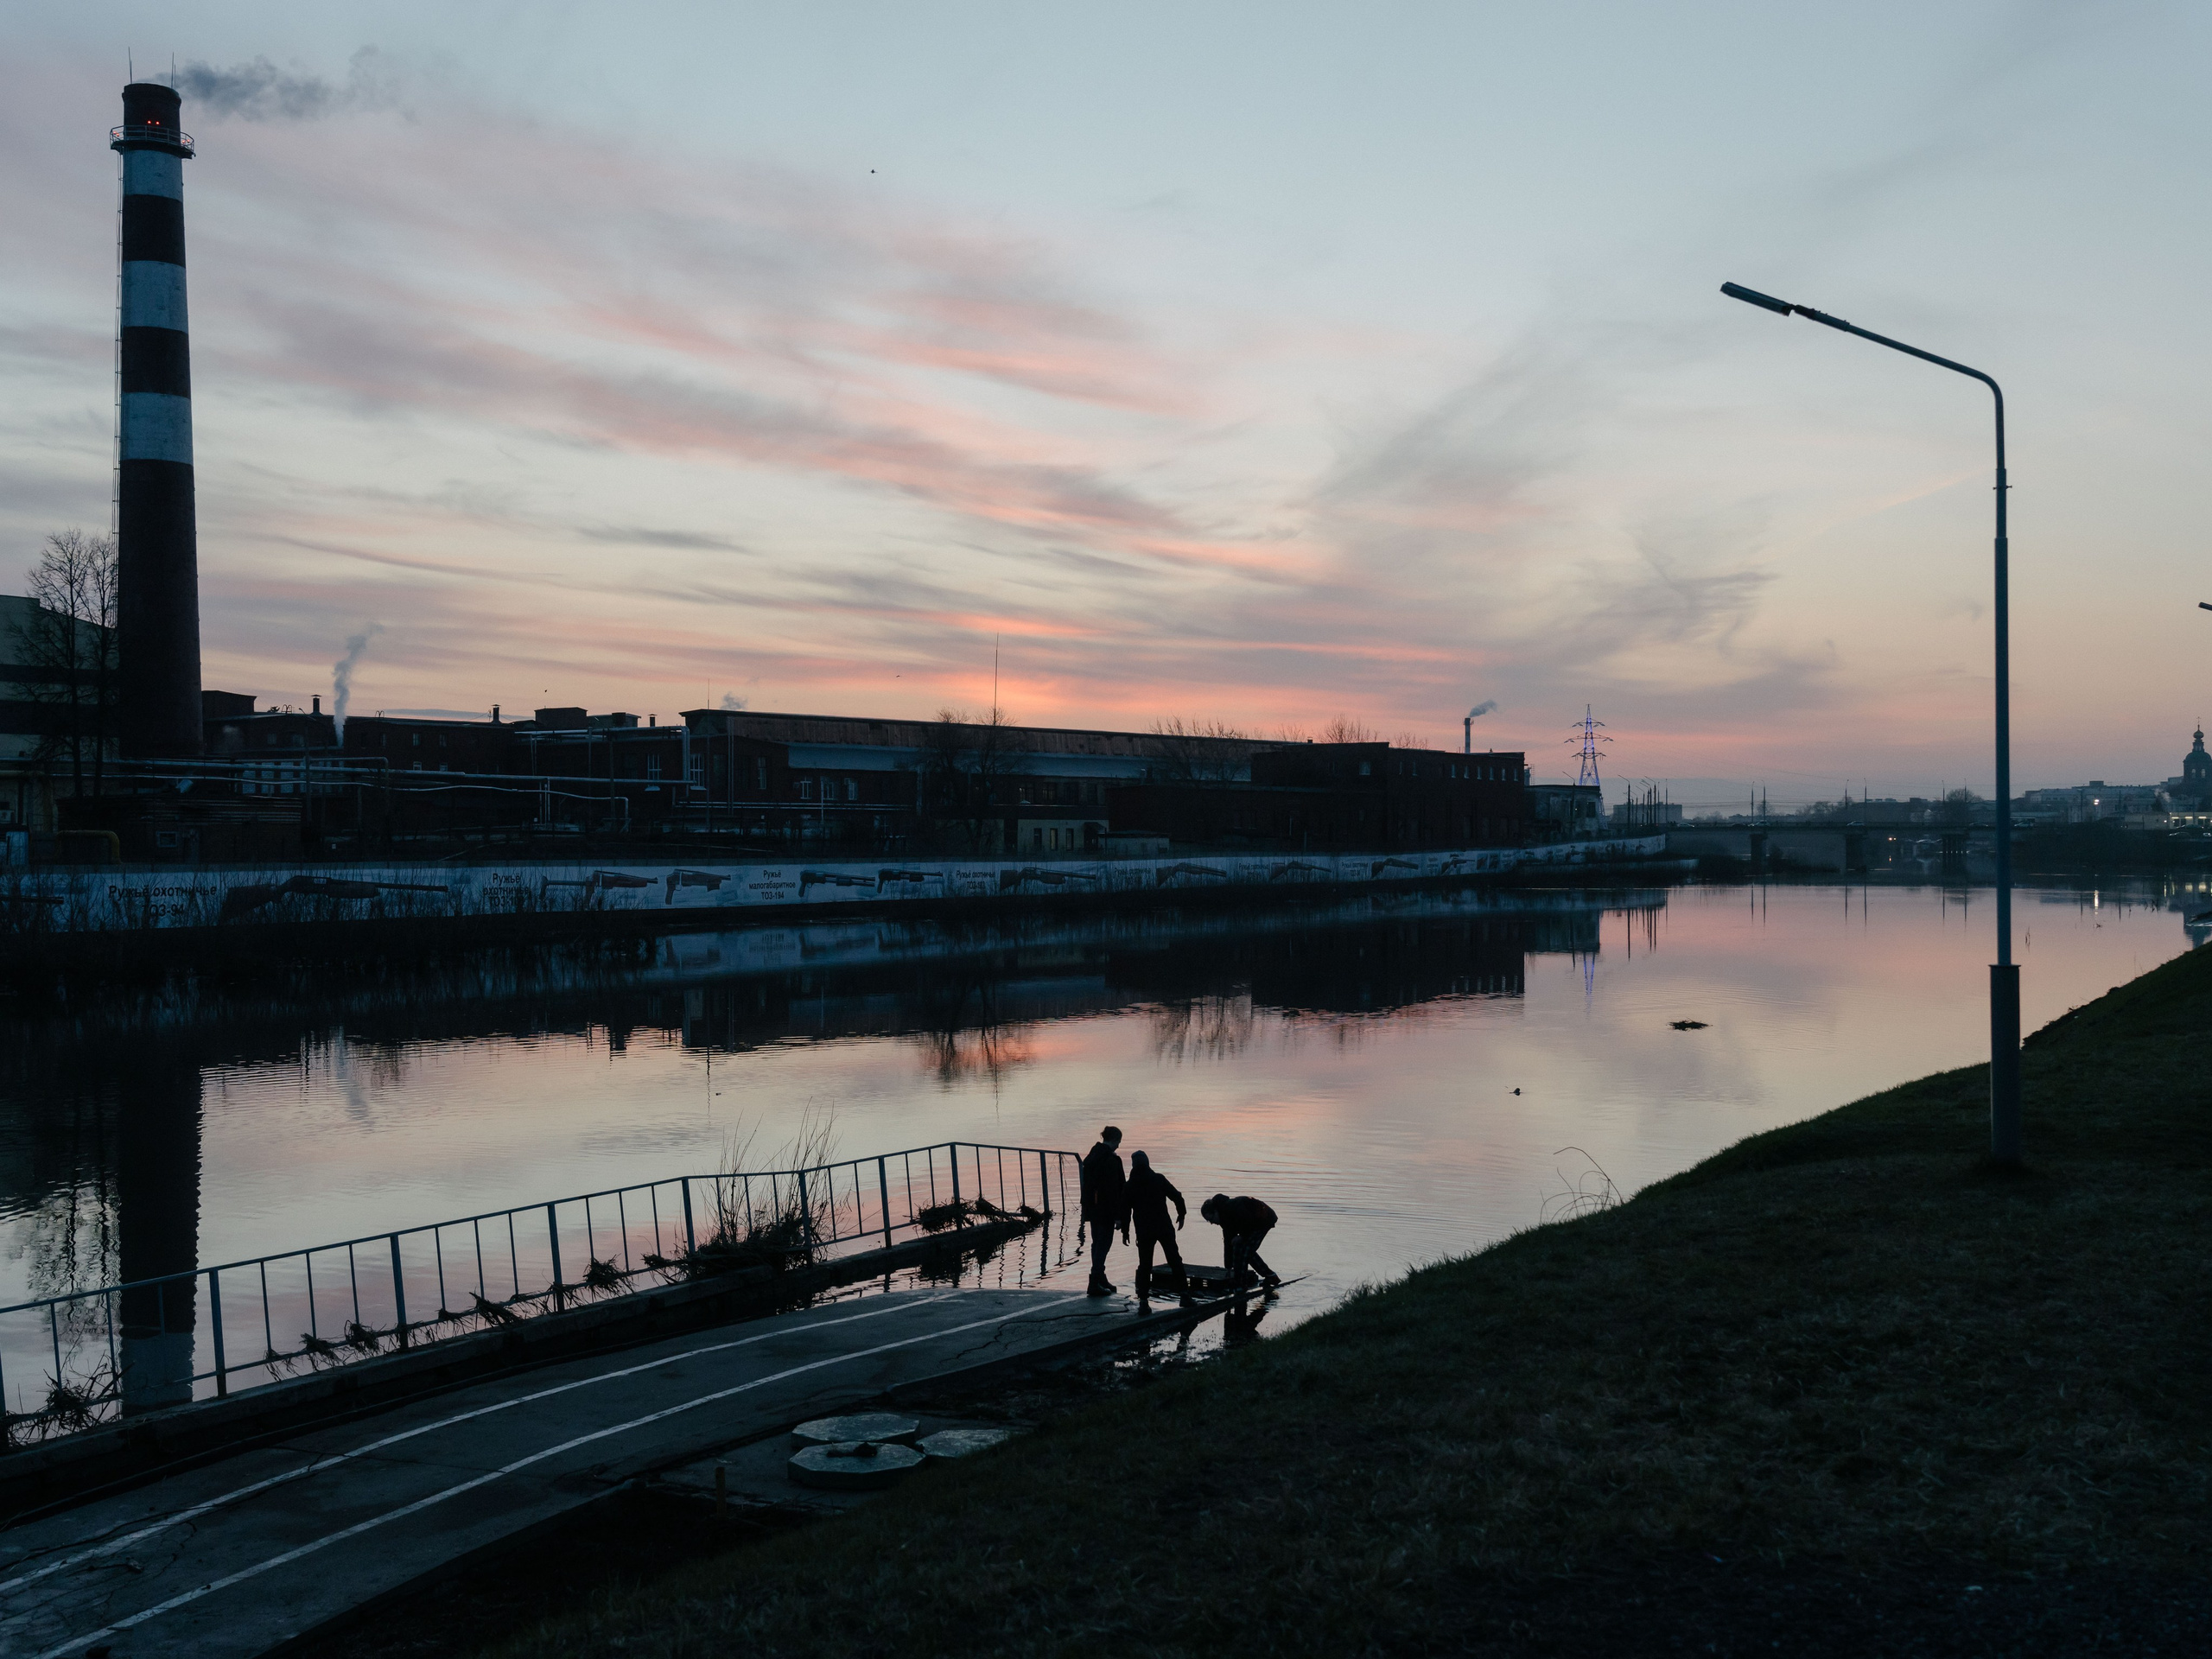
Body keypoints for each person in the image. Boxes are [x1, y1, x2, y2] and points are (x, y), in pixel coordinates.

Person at [1124, 1150, 1192, 1306]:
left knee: (1145, 1264)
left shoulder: (1129, 1186)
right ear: (1147, 1163)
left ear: (1134, 1165)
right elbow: (1177, 1196)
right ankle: (1184, 1295)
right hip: (1163, 1226)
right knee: (1174, 1260)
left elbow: (1125, 1210)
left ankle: (1143, 1301)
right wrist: (1181, 1215)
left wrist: (1125, 1231)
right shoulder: (1158, 1179)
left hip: (1144, 1229)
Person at [1078, 1125, 1128, 1295]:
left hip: (1092, 1208)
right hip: (1106, 1210)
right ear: (1114, 1140)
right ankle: (1094, 1282)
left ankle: (1100, 1277)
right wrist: (1119, 1216)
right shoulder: (1111, 1161)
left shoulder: (1093, 1156)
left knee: (1096, 1243)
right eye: (1119, 1142)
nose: (1119, 1146)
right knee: (1103, 1245)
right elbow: (1114, 1190)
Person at [1200, 1192, 1281, 1290]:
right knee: (1243, 1249)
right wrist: (1228, 1267)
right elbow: (1228, 1244)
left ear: (1216, 1211)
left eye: (1211, 1219)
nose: (1212, 1223)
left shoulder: (1231, 1207)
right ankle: (1270, 1276)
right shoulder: (1225, 1221)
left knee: (1244, 1251)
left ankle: (1241, 1284)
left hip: (1263, 1220)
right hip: (1252, 1225)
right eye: (1209, 1221)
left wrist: (1242, 1236)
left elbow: (1248, 1220)